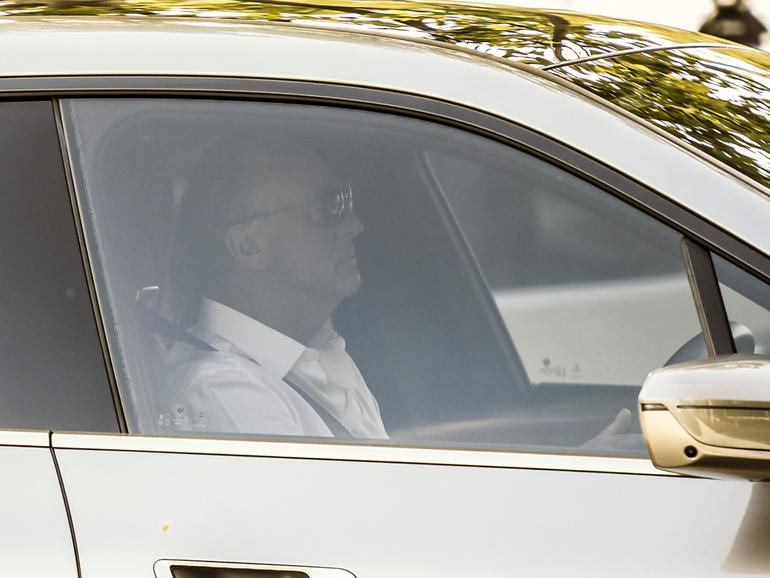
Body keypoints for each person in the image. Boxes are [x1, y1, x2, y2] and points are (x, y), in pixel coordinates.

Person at [161, 136, 387, 439]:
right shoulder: (224, 392)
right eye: (326, 207)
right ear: (248, 246)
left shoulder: (320, 349)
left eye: (344, 201)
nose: (354, 225)